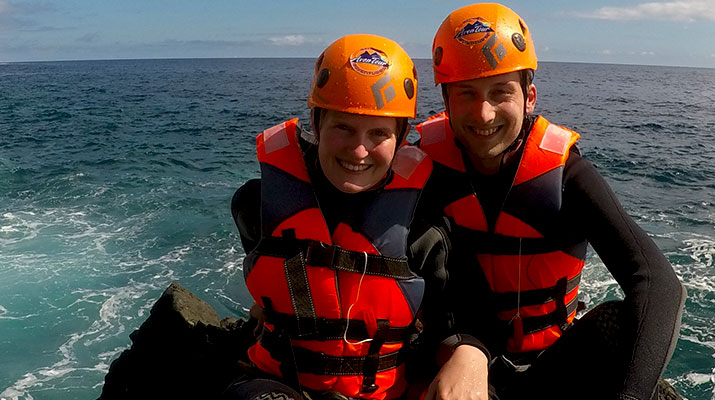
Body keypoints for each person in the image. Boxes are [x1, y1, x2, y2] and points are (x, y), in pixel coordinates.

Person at [413, 4, 686, 399]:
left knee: (620, 321)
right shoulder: (426, 169)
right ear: (446, 101)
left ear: (529, 97)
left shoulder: (568, 177)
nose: (483, 112)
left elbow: (660, 285)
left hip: (548, 364)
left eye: (500, 91)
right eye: (466, 93)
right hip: (461, 357)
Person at [226, 34, 450, 400]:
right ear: (316, 123)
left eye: (378, 132)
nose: (359, 150)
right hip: (276, 383)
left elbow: (447, 321)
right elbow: (264, 270)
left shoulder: (422, 230)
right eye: (343, 127)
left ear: (401, 136)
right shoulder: (256, 204)